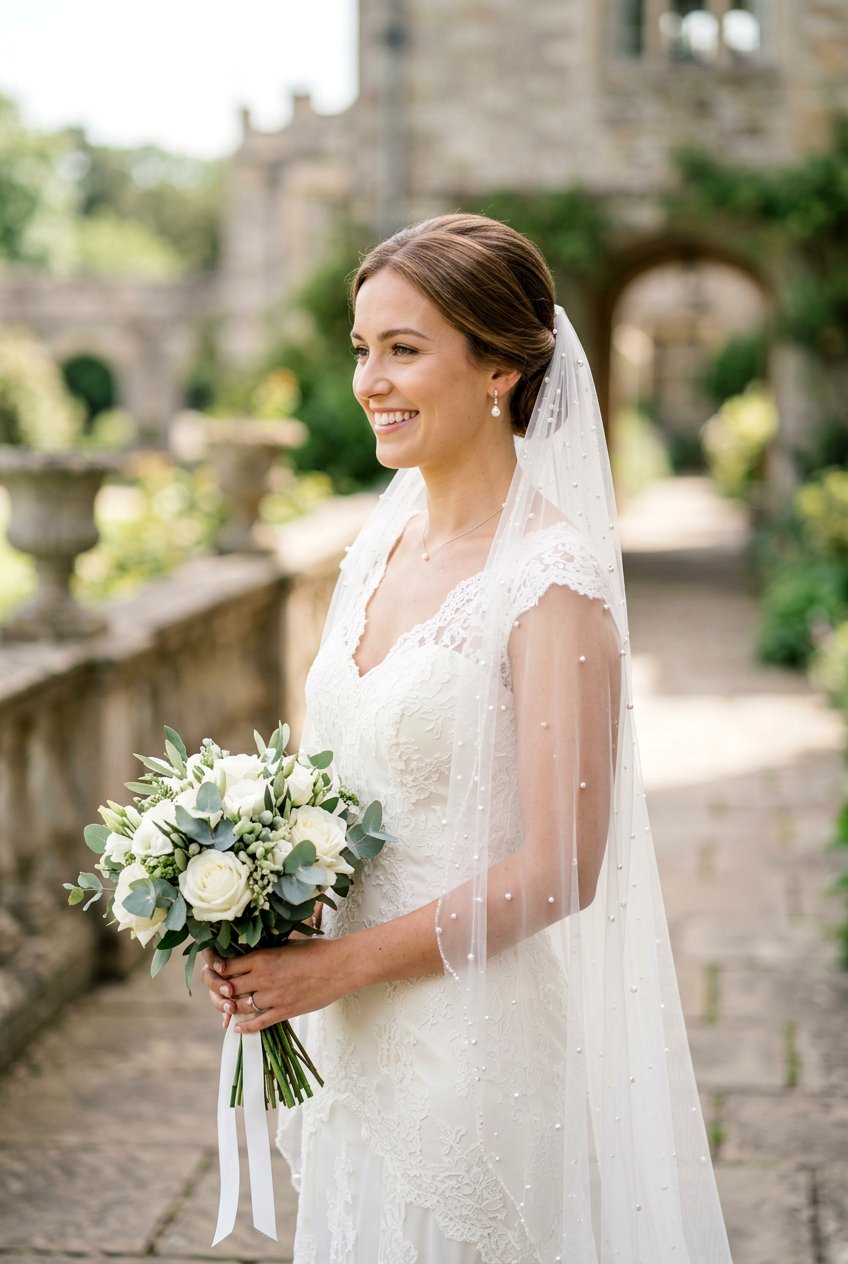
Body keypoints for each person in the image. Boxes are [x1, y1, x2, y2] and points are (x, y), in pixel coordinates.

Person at [200, 213, 733, 1263]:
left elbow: (559, 870)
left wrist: (338, 965)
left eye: (404, 349)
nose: (369, 381)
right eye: (362, 348)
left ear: (497, 367)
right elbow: (346, 784)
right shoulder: (379, 542)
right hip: (350, 1035)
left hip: (470, 1049)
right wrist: (253, 904)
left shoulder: (549, 579)